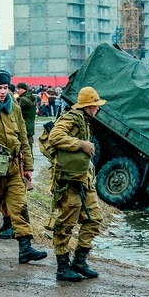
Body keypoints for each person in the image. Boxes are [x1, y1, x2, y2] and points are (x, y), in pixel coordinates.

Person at [0, 70, 48, 265]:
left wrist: (28, 166)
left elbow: (22, 138)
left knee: (20, 206)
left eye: (5, 88)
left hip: (14, 168)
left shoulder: (14, 108)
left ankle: (25, 249)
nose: (3, 92)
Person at [48, 86, 106, 282]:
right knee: (66, 223)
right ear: (87, 106)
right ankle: (62, 267)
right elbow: (54, 137)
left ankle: (80, 261)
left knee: (94, 218)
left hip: (83, 179)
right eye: (95, 105)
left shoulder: (85, 121)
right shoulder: (71, 118)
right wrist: (81, 144)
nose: (97, 109)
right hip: (68, 181)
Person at [16, 82, 36, 147]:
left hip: (25, 125)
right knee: (29, 144)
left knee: (26, 146)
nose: (17, 91)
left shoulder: (23, 99)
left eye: (19, 89)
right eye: (17, 89)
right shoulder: (29, 97)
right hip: (29, 124)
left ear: (24, 90)